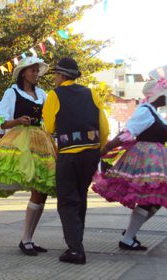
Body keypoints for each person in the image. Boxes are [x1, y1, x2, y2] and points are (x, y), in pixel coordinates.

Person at [0, 57, 57, 256]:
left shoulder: (43, 94)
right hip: (21, 140)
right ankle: (26, 239)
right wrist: (18, 120)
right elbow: (0, 121)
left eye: (37, 71)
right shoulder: (12, 92)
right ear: (23, 73)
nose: (36, 74)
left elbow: (50, 118)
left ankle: (28, 238)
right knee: (38, 189)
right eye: (32, 71)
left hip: (41, 141)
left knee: (42, 190)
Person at [92, 78, 167, 251]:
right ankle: (128, 238)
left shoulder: (154, 112)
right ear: (156, 96)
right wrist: (105, 149)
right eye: (163, 95)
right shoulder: (145, 111)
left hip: (157, 159)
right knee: (149, 198)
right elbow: (127, 132)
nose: (166, 98)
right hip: (146, 159)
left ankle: (130, 232)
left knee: (156, 200)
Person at [42, 57, 109, 264]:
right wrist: (98, 150)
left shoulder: (55, 94)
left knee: (67, 200)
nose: (54, 78)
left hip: (69, 153)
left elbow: (50, 127)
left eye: (55, 75)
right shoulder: (91, 93)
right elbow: (104, 128)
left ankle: (75, 249)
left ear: (61, 76)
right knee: (81, 196)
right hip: (91, 153)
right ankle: (76, 242)